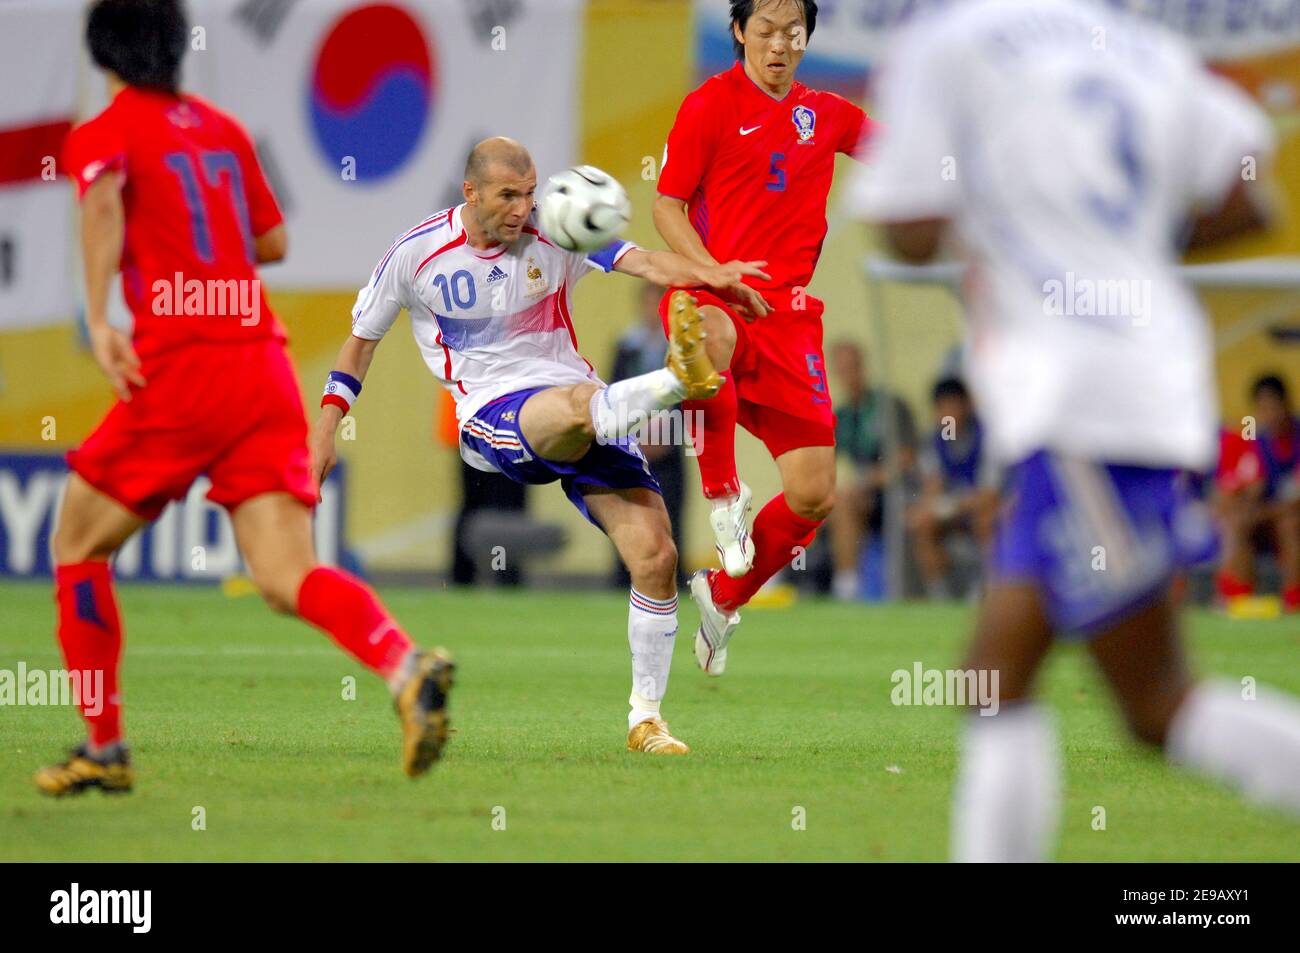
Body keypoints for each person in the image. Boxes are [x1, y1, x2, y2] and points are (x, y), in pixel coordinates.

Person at [851, 0, 1300, 861]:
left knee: (1159, 705)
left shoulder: (952, 43)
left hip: (1081, 397)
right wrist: (1119, 237)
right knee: (995, 677)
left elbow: (906, 228)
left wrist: (1003, 213)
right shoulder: (1147, 50)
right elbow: (1251, 191)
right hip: (1137, 377)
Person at [37, 0, 454, 796]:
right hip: (260, 365)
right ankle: (404, 665)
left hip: (184, 366)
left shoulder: (104, 134)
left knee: (77, 544)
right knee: (283, 572)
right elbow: (273, 242)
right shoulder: (223, 131)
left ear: (105, 55)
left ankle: (105, 745)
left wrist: (97, 316)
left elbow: (98, 201)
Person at [310, 136, 769, 754]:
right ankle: (673, 382)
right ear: (470, 193)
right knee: (580, 410)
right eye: (507, 196)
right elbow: (360, 344)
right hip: (495, 414)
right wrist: (324, 431)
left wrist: (712, 273)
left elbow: (645, 263)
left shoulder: (558, 233)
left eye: (529, 194)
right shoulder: (416, 255)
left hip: (584, 402)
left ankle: (646, 719)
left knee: (656, 555)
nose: (522, 209)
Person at [653, 0, 875, 676]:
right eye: (766, 31)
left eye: (792, 32)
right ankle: (723, 498)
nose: (778, 45)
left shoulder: (829, 114)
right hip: (714, 292)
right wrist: (709, 270)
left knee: (814, 493)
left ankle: (724, 595)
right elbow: (666, 204)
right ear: (739, 33)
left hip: (790, 319)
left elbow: (908, 155)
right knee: (703, 339)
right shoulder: (708, 105)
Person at [610, 282, 688, 589]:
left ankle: (671, 580)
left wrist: (669, 435)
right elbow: (612, 392)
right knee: (627, 510)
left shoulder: (680, 346)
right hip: (632, 440)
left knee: (671, 512)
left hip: (669, 442)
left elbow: (688, 397)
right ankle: (623, 578)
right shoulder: (626, 345)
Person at [826, 340, 915, 601]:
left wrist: (867, 481)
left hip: (898, 492)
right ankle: (788, 577)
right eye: (841, 369)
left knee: (844, 500)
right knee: (823, 503)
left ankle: (846, 587)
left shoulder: (890, 406)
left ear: (861, 366)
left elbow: (906, 459)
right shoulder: (841, 416)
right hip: (862, 496)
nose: (847, 375)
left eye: (851, 367)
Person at [1215, 374, 1300, 611]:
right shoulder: (1252, 440)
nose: (1269, 414)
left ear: (1286, 405)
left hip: (1288, 520)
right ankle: (1239, 599)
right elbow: (1238, 491)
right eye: (1262, 408)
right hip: (1266, 518)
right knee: (1237, 522)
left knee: (1289, 523)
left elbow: (1294, 503)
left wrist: (1263, 511)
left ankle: (1294, 602)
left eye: (1273, 406)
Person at [908, 377, 996, 601]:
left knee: (986, 519)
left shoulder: (988, 438)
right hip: (954, 510)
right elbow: (933, 487)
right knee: (923, 522)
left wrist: (951, 505)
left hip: (985, 509)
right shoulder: (934, 442)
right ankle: (940, 595)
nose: (948, 414)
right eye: (942, 408)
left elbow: (990, 494)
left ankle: (987, 588)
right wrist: (931, 507)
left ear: (967, 405)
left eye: (953, 406)